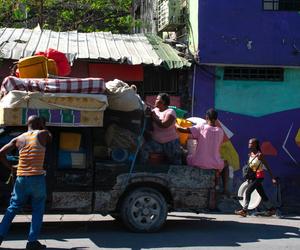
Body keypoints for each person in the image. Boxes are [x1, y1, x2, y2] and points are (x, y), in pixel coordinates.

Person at [0, 116, 52, 250]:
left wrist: (10, 167)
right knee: (38, 209)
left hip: (21, 178)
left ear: (27, 124)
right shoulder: (42, 133)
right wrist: (44, 126)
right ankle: (32, 242)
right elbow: (50, 137)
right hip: (36, 178)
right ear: (39, 123)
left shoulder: (18, 138)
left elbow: (1, 153)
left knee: (12, 208)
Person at [176, 108, 229, 195]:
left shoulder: (201, 127)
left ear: (206, 117)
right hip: (215, 164)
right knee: (226, 164)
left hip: (199, 162)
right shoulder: (221, 131)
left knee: (183, 154)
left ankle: (183, 182)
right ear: (216, 118)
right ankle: (225, 189)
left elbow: (182, 130)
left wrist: (175, 125)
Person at [235, 138, 277, 217]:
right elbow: (250, 166)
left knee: (248, 191)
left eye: (251, 143)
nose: (249, 145)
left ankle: (244, 210)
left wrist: (272, 177)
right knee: (262, 194)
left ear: (255, 145)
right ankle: (271, 209)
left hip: (259, 177)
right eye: (249, 143)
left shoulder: (260, 155)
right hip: (253, 177)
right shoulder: (250, 154)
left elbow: (267, 166)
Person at [140, 93, 181, 165]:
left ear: (163, 102)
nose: (155, 101)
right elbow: (147, 122)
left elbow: (164, 125)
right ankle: (144, 169)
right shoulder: (154, 111)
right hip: (156, 142)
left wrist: (154, 117)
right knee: (144, 149)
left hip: (171, 143)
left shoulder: (170, 112)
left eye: (157, 99)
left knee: (175, 163)